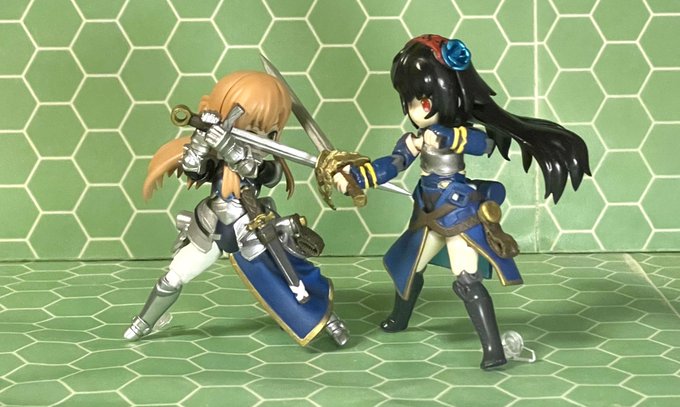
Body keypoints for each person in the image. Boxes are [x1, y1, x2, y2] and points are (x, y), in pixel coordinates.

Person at [334, 35, 590, 368]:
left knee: (467, 279)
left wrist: (451, 136)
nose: (417, 108)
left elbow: (483, 144)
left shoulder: (456, 134)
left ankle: (494, 350)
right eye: (411, 100)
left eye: (423, 99)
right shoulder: (414, 140)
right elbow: (392, 165)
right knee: (409, 266)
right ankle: (399, 318)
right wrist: (357, 176)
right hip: (427, 214)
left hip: (458, 214)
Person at [124, 71, 349, 347]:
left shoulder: (266, 165)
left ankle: (329, 320)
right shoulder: (215, 155)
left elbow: (258, 171)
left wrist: (228, 145)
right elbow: (194, 168)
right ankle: (142, 322)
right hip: (212, 228)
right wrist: (202, 139)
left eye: (270, 133)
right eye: (253, 131)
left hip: (252, 229)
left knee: (291, 275)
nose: (263, 140)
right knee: (174, 276)